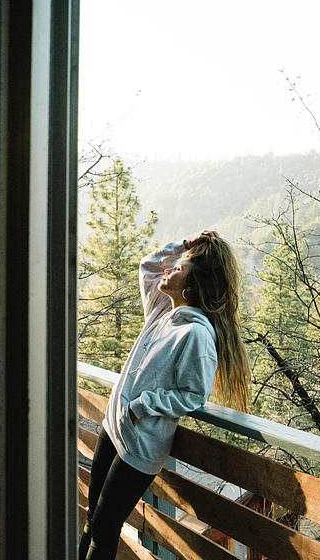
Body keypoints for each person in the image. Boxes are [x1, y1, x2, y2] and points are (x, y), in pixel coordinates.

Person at [78, 230, 251, 560]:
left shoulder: (196, 334)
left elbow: (193, 396)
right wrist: (186, 246)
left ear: (189, 286)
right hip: (113, 427)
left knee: (103, 528)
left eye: (180, 267)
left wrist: (144, 405)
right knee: (92, 521)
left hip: (139, 447)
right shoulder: (161, 311)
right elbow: (149, 265)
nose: (170, 269)